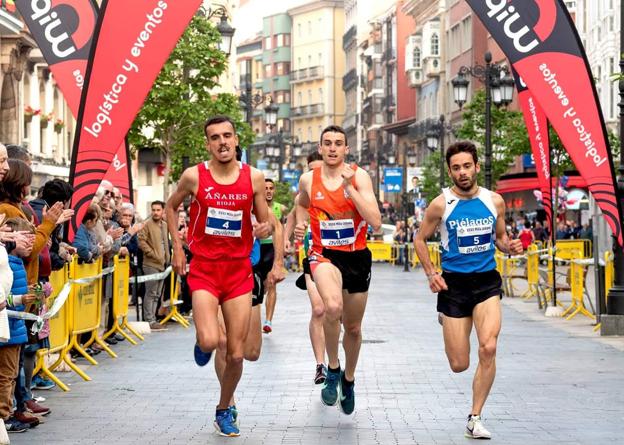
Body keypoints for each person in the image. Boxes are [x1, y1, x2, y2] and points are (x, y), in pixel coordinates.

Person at [165, 115, 271, 437]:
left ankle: (224, 408)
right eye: (215, 137)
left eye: (227, 136)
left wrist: (265, 229)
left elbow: (263, 222)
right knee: (212, 340)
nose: (222, 142)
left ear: (236, 139)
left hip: (238, 271)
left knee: (237, 353)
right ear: (208, 144)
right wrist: (178, 248)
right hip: (205, 270)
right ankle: (203, 341)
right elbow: (171, 207)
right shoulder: (194, 176)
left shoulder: (253, 178)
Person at [413, 141, 522, 440]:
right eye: (456, 168)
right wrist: (431, 273)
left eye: (467, 166)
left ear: (476, 166)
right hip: (454, 285)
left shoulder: (493, 201)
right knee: (459, 363)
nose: (462, 172)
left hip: (487, 282)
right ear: (449, 171)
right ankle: (446, 317)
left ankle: (475, 417)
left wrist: (509, 246)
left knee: (488, 347)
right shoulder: (441, 204)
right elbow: (420, 239)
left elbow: (500, 238)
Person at [294, 125, 381, 415]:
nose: (332, 148)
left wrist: (349, 191)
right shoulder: (309, 179)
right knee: (331, 307)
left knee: (353, 328)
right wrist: (299, 222)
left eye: (338, 143)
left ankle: (349, 378)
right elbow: (301, 203)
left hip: (356, 257)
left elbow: (376, 221)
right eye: (327, 143)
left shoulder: (359, 177)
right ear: (320, 148)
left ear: (346, 149)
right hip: (324, 254)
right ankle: (332, 368)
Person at [284, 151, 327, 384]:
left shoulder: (338, 192)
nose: (314, 174)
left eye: (319, 169)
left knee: (335, 312)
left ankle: (334, 361)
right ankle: (320, 364)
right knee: (319, 310)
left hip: (339, 260)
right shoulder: (303, 195)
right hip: (312, 257)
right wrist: (286, 239)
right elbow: (292, 218)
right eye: (311, 169)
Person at [138, 201, 170, 332]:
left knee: (157, 294)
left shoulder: (165, 225)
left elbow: (166, 243)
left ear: (163, 211)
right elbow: (141, 241)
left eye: (158, 210)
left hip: (163, 264)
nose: (155, 212)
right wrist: (152, 254)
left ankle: (153, 318)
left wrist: (168, 258)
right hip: (150, 263)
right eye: (153, 210)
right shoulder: (147, 224)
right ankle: (149, 320)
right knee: (151, 292)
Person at [260, 179, 287, 333]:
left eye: (271, 188)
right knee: (261, 287)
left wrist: (284, 245)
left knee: (272, 284)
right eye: (265, 188)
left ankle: (268, 320)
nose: (268, 191)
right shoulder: (256, 207)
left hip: (272, 248)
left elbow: (281, 227)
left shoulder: (280, 208)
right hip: (258, 248)